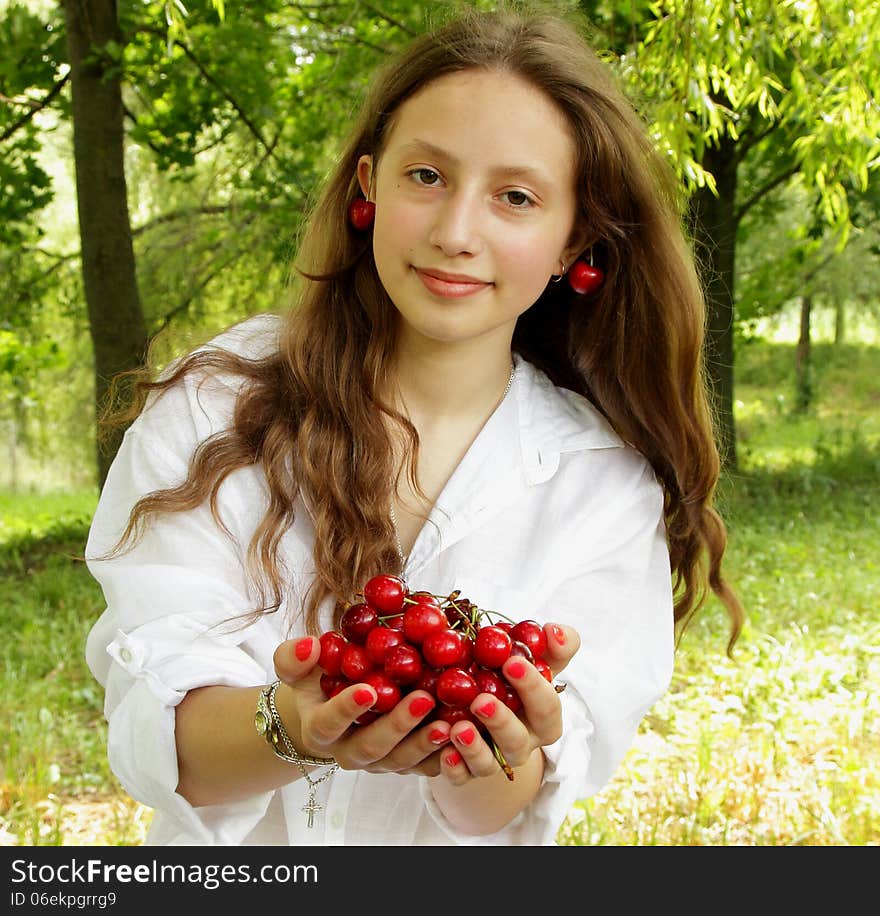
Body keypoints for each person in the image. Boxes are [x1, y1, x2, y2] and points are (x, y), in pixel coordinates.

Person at [84, 6, 743, 847]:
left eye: (514, 197)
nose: (455, 233)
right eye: (426, 177)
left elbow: (508, 807)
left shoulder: (601, 482)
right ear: (369, 183)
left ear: (572, 235)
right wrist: (295, 724)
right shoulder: (219, 404)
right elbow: (168, 748)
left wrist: (483, 753)